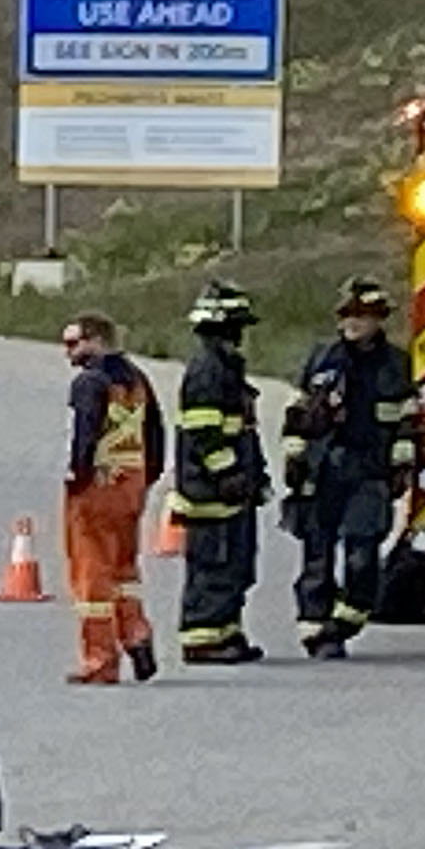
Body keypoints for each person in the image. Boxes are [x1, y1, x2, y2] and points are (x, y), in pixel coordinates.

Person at [284, 276, 419, 659]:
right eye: (348, 316)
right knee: (317, 552)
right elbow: (297, 413)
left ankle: (346, 621)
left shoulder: (395, 365)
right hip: (323, 466)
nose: (354, 323)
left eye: (364, 316)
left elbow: (405, 422)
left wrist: (400, 467)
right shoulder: (323, 358)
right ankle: (315, 627)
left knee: (363, 553)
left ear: (379, 321)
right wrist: (295, 458)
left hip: (369, 470)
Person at [58, 313, 166, 685]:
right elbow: (155, 432)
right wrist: (147, 477)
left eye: (74, 343)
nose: (68, 352)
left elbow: (85, 433)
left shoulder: (90, 383)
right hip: (131, 484)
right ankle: (137, 633)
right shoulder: (136, 379)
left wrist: (77, 474)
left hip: (98, 487)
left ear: (96, 341)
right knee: (124, 568)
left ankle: (100, 660)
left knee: (91, 574)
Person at [169, 282, 268, 664]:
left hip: (229, 490)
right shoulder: (208, 369)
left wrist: (253, 476)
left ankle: (226, 631)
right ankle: (203, 637)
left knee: (236, 565)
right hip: (210, 493)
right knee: (215, 564)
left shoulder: (224, 365)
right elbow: (204, 431)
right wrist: (227, 473)